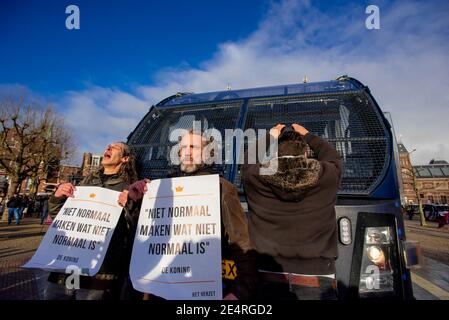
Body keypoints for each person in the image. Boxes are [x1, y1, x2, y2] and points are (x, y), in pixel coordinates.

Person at [120, 129, 258, 300]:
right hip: (159, 290)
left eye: (193, 147)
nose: (186, 151)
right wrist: (135, 202)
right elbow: (143, 237)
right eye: (183, 147)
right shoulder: (161, 187)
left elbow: (241, 242)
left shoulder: (221, 188)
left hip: (200, 292)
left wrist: (240, 291)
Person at [242, 123, 342, 300]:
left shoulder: (256, 177)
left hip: (268, 276)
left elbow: (248, 160)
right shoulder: (327, 177)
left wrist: (270, 135)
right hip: (317, 278)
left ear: (276, 154)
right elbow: (333, 157)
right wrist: (308, 135)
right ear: (305, 153)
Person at [44, 142, 139, 300]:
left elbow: (135, 229)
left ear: (125, 159)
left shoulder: (129, 189)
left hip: (100, 274)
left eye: (114, 147)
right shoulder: (83, 185)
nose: (107, 148)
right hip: (66, 268)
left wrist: (131, 204)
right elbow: (59, 218)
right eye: (107, 146)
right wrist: (57, 198)